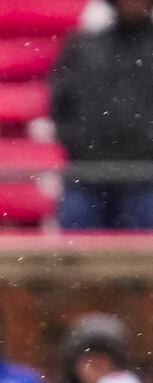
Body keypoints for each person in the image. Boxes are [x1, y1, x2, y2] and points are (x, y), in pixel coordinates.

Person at [49, 0, 153, 233]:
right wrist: (84, 149)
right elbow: (61, 107)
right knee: (75, 233)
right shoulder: (83, 47)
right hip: (88, 175)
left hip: (146, 176)